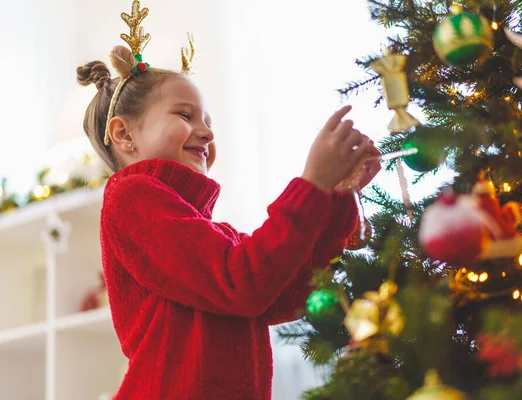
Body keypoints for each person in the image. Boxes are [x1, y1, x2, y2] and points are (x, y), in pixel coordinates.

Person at [77, 1, 381, 399]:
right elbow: (243, 282)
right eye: (185, 116)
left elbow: (282, 296)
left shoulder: (214, 233)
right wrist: (312, 186)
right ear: (124, 135)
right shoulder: (131, 196)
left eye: (208, 122)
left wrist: (335, 197)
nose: (205, 132)